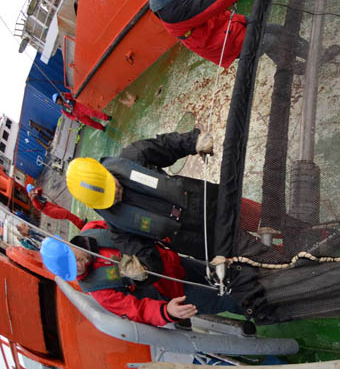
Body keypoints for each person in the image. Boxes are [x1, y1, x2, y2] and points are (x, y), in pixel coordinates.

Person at [40, 221, 242, 327]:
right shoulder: (100, 291)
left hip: (174, 262)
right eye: (75, 269)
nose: (81, 265)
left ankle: (257, 279)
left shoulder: (93, 228)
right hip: (177, 296)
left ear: (68, 243)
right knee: (230, 300)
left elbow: (127, 228)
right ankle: (264, 307)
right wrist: (167, 312)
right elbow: (137, 310)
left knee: (222, 271)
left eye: (75, 258)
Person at [64, 129, 221, 261]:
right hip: (197, 240)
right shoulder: (119, 231)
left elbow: (165, 146)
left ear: (105, 171)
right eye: (110, 200)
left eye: (114, 187)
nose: (116, 194)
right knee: (243, 250)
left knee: (242, 211)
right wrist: (142, 271)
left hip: (205, 199)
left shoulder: (132, 156)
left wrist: (193, 141)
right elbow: (147, 258)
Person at [134, 0, 276, 68]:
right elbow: (214, 0)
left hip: (225, 24)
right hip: (221, 42)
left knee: (274, 30)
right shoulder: (171, 11)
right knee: (271, 41)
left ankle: (289, 65)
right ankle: (291, 69)